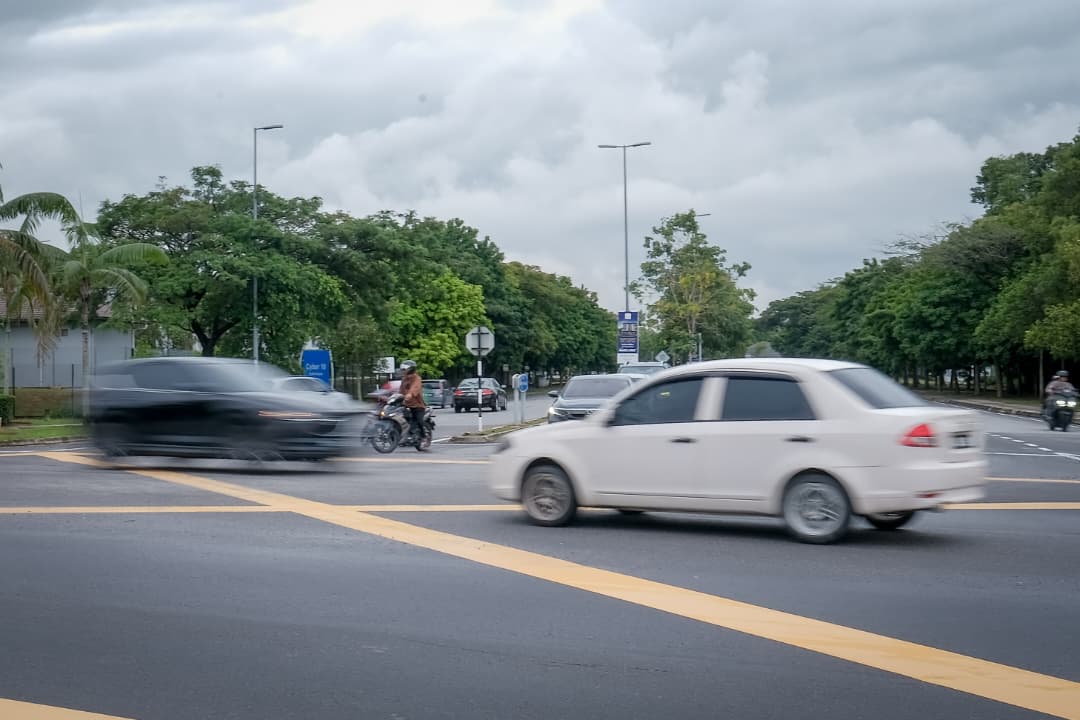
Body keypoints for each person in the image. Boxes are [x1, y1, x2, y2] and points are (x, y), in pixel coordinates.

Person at [398, 360, 428, 448]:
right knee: (401, 419)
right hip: (406, 404)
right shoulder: (404, 379)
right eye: (402, 369)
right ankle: (405, 437)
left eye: (404, 369)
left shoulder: (417, 378)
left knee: (418, 421)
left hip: (417, 405)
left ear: (410, 369)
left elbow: (415, 388)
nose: (403, 371)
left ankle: (424, 437)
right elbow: (400, 391)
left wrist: (410, 394)